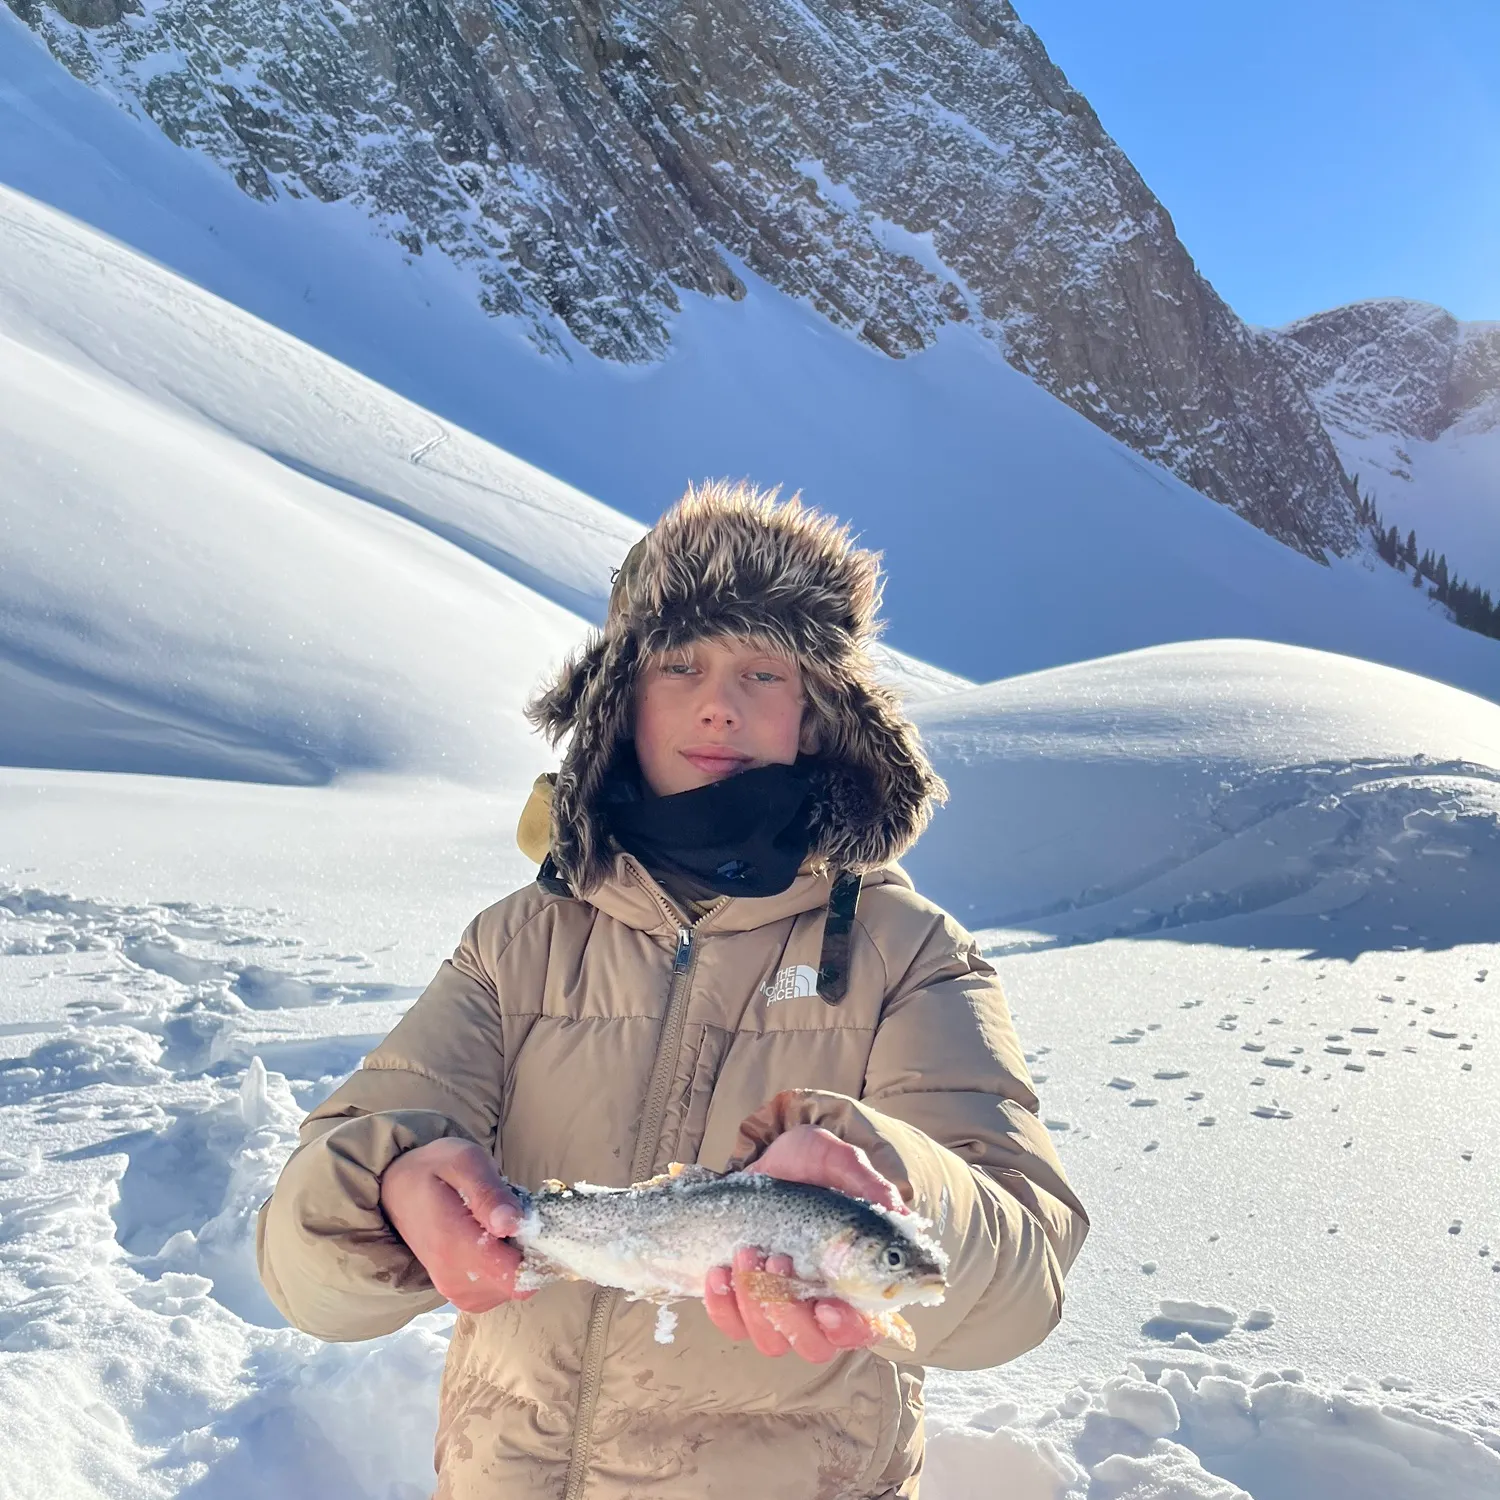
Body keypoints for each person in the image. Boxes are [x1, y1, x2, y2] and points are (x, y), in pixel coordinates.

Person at [256, 482, 1089, 1499]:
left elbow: (1020, 1286)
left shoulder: (908, 954)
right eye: (679, 664)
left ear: (822, 716)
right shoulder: (516, 945)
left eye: (763, 671)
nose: (718, 702)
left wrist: (890, 1184)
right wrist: (384, 1190)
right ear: (618, 704)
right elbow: (302, 1273)